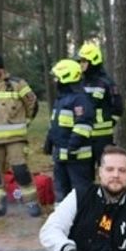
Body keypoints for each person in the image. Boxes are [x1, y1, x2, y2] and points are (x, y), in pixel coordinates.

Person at [0, 53, 41, 219]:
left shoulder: (17, 84)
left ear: (2, 69)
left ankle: (31, 202)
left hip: (16, 138)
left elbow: (33, 104)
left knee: (20, 170)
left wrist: (26, 122)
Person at [46, 58, 96, 204]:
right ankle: (60, 222)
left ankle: (84, 222)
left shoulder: (80, 99)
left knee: (81, 191)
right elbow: (55, 123)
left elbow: (84, 125)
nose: (55, 80)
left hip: (77, 157)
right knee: (61, 190)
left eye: (57, 77)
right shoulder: (61, 99)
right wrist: (49, 140)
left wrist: (72, 147)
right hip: (60, 156)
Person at [76, 41, 123, 162]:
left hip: (102, 136)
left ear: (93, 61)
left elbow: (118, 107)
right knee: (85, 172)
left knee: (105, 169)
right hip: (83, 134)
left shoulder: (106, 82)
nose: (81, 64)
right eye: (80, 61)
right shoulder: (79, 82)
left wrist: (110, 121)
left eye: (84, 61)